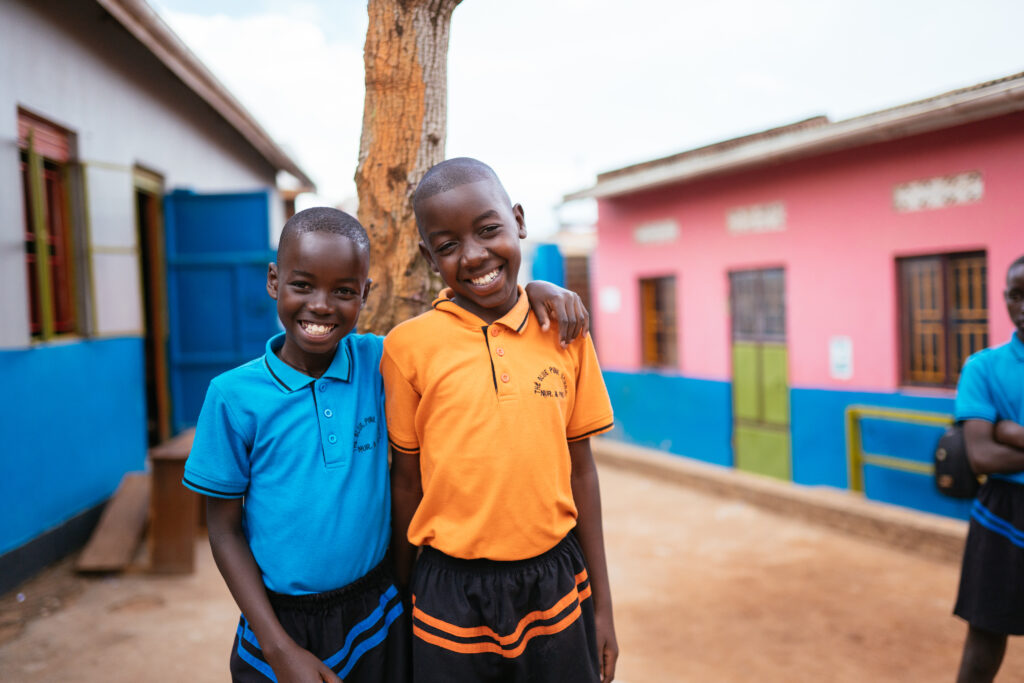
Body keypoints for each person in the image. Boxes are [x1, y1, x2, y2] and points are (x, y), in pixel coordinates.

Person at [182, 206, 590, 683]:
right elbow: (224, 529)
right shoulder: (233, 397)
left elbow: (458, 329)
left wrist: (534, 292)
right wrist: (277, 648)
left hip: (378, 614)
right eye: (302, 285)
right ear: (274, 281)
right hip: (278, 626)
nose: (320, 305)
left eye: (343, 292)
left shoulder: (383, 359)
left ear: (366, 295)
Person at [382, 158, 618, 683]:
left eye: (489, 230)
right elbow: (407, 482)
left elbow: (583, 471)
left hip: (557, 579)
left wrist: (603, 606)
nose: (473, 256)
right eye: (447, 246)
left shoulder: (564, 331)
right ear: (428, 256)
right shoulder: (407, 349)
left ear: (519, 221)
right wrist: (402, 598)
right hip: (449, 591)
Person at [954, 254, 1024, 683]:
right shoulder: (982, 367)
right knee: (986, 632)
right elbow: (981, 456)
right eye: (1017, 296)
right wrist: (998, 436)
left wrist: (1013, 433)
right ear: (1004, 299)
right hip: (1002, 512)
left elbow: (995, 445)